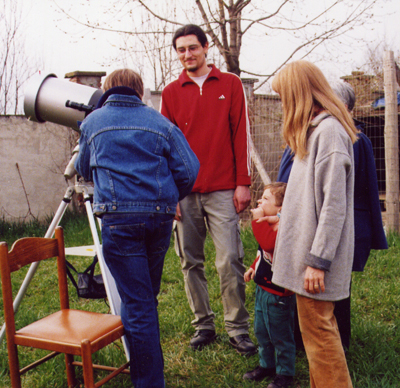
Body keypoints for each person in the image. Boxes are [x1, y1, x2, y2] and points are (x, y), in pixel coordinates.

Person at [74, 69, 200, 388]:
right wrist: (167, 196)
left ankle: (149, 382)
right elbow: (189, 169)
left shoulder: (93, 122)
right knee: (144, 298)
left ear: (106, 89)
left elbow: (83, 167)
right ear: (140, 92)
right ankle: (144, 367)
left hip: (119, 220)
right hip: (158, 218)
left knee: (139, 302)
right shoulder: (160, 123)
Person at [161, 24, 256, 356]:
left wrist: (243, 182)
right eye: (181, 49)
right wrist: (169, 191)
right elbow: (166, 147)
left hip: (223, 189)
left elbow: (240, 134)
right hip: (184, 192)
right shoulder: (171, 93)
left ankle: (237, 328)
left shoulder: (229, 85)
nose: (187, 54)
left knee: (229, 258)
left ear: (205, 49)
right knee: (190, 261)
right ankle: (203, 324)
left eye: (192, 48)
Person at [277, 81, 388, 352]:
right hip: (309, 226)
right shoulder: (310, 132)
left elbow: (336, 196)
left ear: (345, 106)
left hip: (334, 230)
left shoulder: (346, 137)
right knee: (313, 299)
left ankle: (337, 345)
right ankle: (313, 344)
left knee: (332, 294)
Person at [271, 60, 358, 388]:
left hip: (317, 261)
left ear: (299, 94)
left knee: (320, 335)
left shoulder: (329, 134)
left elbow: (334, 208)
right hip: (308, 257)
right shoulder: (316, 131)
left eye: (283, 97)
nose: (282, 105)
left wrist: (317, 261)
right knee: (315, 335)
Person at [243, 182, 295, 388]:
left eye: (266, 199)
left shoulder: (282, 227)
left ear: (280, 208)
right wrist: (254, 268)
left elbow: (268, 244)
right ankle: (267, 365)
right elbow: (261, 253)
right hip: (262, 289)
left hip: (279, 294)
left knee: (280, 335)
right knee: (262, 330)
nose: (259, 202)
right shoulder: (268, 222)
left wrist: (257, 221)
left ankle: (285, 374)